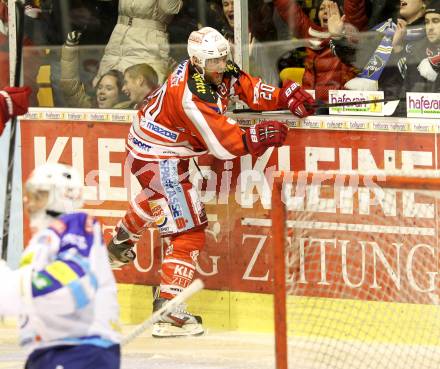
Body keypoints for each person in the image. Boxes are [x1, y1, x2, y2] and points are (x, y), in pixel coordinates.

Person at [107, 26, 315, 338]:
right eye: (214, 63)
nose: (220, 68)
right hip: (159, 156)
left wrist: (283, 95)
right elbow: (223, 145)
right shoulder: (193, 94)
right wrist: (261, 134)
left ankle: (121, 240)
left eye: (223, 60)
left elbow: (246, 86)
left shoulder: (210, 65)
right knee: (189, 232)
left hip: (151, 148)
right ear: (196, 63)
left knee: (158, 199)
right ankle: (169, 311)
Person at [0, 162, 121, 369]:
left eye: (39, 195)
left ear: (62, 197)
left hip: (79, 350)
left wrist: (8, 283)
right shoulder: (42, 242)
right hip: (50, 351)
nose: (28, 201)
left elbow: (71, 288)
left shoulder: (77, 226)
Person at [273, 0, 357, 102]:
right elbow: (288, 9)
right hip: (309, 104)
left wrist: (338, 36)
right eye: (322, 8)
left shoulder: (350, 35)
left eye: (330, 7)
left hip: (339, 104)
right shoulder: (311, 32)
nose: (326, 11)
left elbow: (354, 8)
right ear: (317, 14)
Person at [93, 0, 183, 85]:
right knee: (107, 84)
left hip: (148, 40)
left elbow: (170, 9)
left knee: (142, 87)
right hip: (118, 35)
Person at [60, 31, 128, 109]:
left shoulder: (133, 112)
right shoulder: (90, 107)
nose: (102, 92)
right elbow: (70, 90)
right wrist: (69, 49)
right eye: (99, 87)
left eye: (109, 88)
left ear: (121, 93)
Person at [407, 0, 440, 92]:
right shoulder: (416, 51)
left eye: (436, 21)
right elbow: (406, 94)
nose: (430, 27)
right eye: (427, 22)